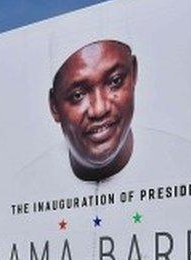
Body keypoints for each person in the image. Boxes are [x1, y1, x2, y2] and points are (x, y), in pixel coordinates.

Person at [49, 40, 138, 182]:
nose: (99, 110)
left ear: (133, 74)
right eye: (77, 95)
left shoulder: (177, 160)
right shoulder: (29, 184)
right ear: (54, 107)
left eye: (115, 81)